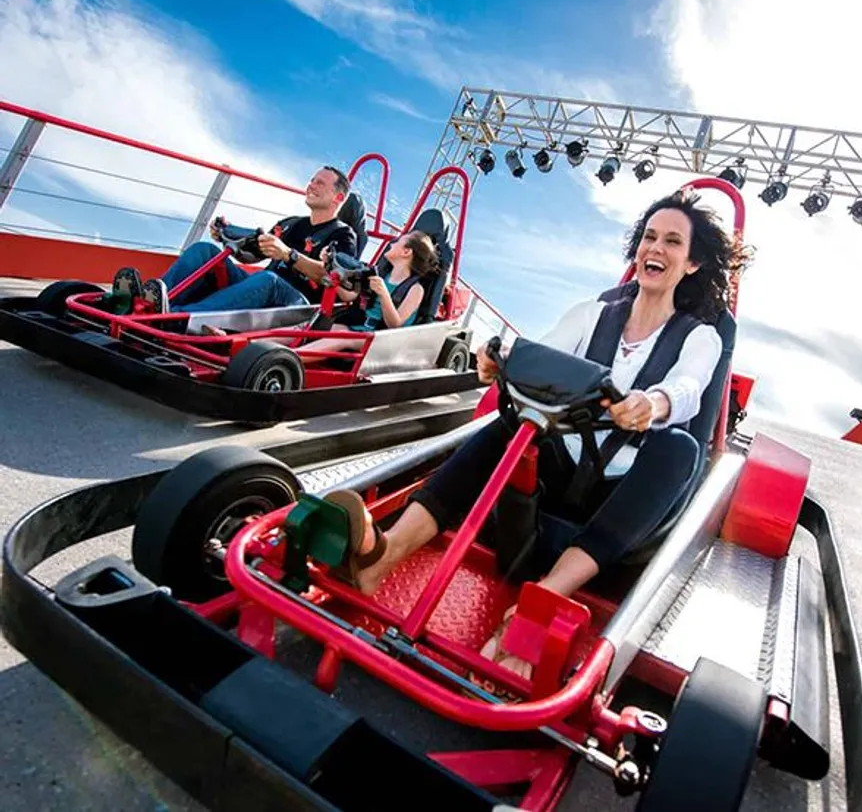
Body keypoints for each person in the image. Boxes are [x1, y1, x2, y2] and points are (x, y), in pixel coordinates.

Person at [326, 188, 750, 680]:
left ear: (693, 263)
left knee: (680, 448)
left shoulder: (701, 335)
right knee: (504, 425)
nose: (655, 248)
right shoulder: (593, 315)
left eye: (672, 242)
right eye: (649, 237)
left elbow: (689, 387)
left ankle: (544, 598)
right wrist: (499, 363)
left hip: (628, 488)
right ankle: (384, 554)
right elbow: (539, 355)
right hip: (562, 466)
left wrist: (653, 403)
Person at [110, 165, 359, 314]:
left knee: (268, 279)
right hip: (263, 287)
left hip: (297, 306)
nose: (311, 185)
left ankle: (174, 317)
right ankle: (148, 302)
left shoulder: (343, 234)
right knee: (204, 250)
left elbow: (340, 282)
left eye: (320, 183)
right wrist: (227, 237)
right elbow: (252, 254)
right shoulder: (291, 223)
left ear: (338, 197)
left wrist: (288, 255)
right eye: (311, 180)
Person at [295, 230, 439, 353]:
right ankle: (275, 346)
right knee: (312, 327)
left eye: (398, 242)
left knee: (341, 336)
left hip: (382, 339)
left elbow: (395, 324)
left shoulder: (415, 289)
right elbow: (350, 296)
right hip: (359, 327)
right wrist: (330, 270)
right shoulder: (380, 275)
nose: (392, 243)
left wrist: (384, 295)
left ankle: (287, 358)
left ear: (406, 252)